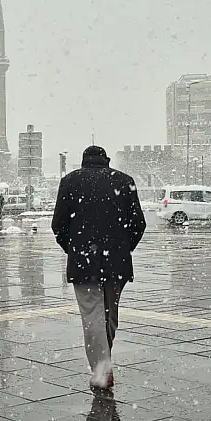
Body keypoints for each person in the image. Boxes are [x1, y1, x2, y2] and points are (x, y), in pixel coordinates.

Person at [51, 145, 147, 390]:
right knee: (109, 314)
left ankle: (102, 368)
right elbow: (138, 223)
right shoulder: (125, 181)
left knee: (92, 314)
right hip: (117, 261)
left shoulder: (70, 182)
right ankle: (104, 361)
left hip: (83, 261)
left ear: (84, 161)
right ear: (106, 160)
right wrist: (123, 248)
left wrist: (74, 249)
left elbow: (58, 226)